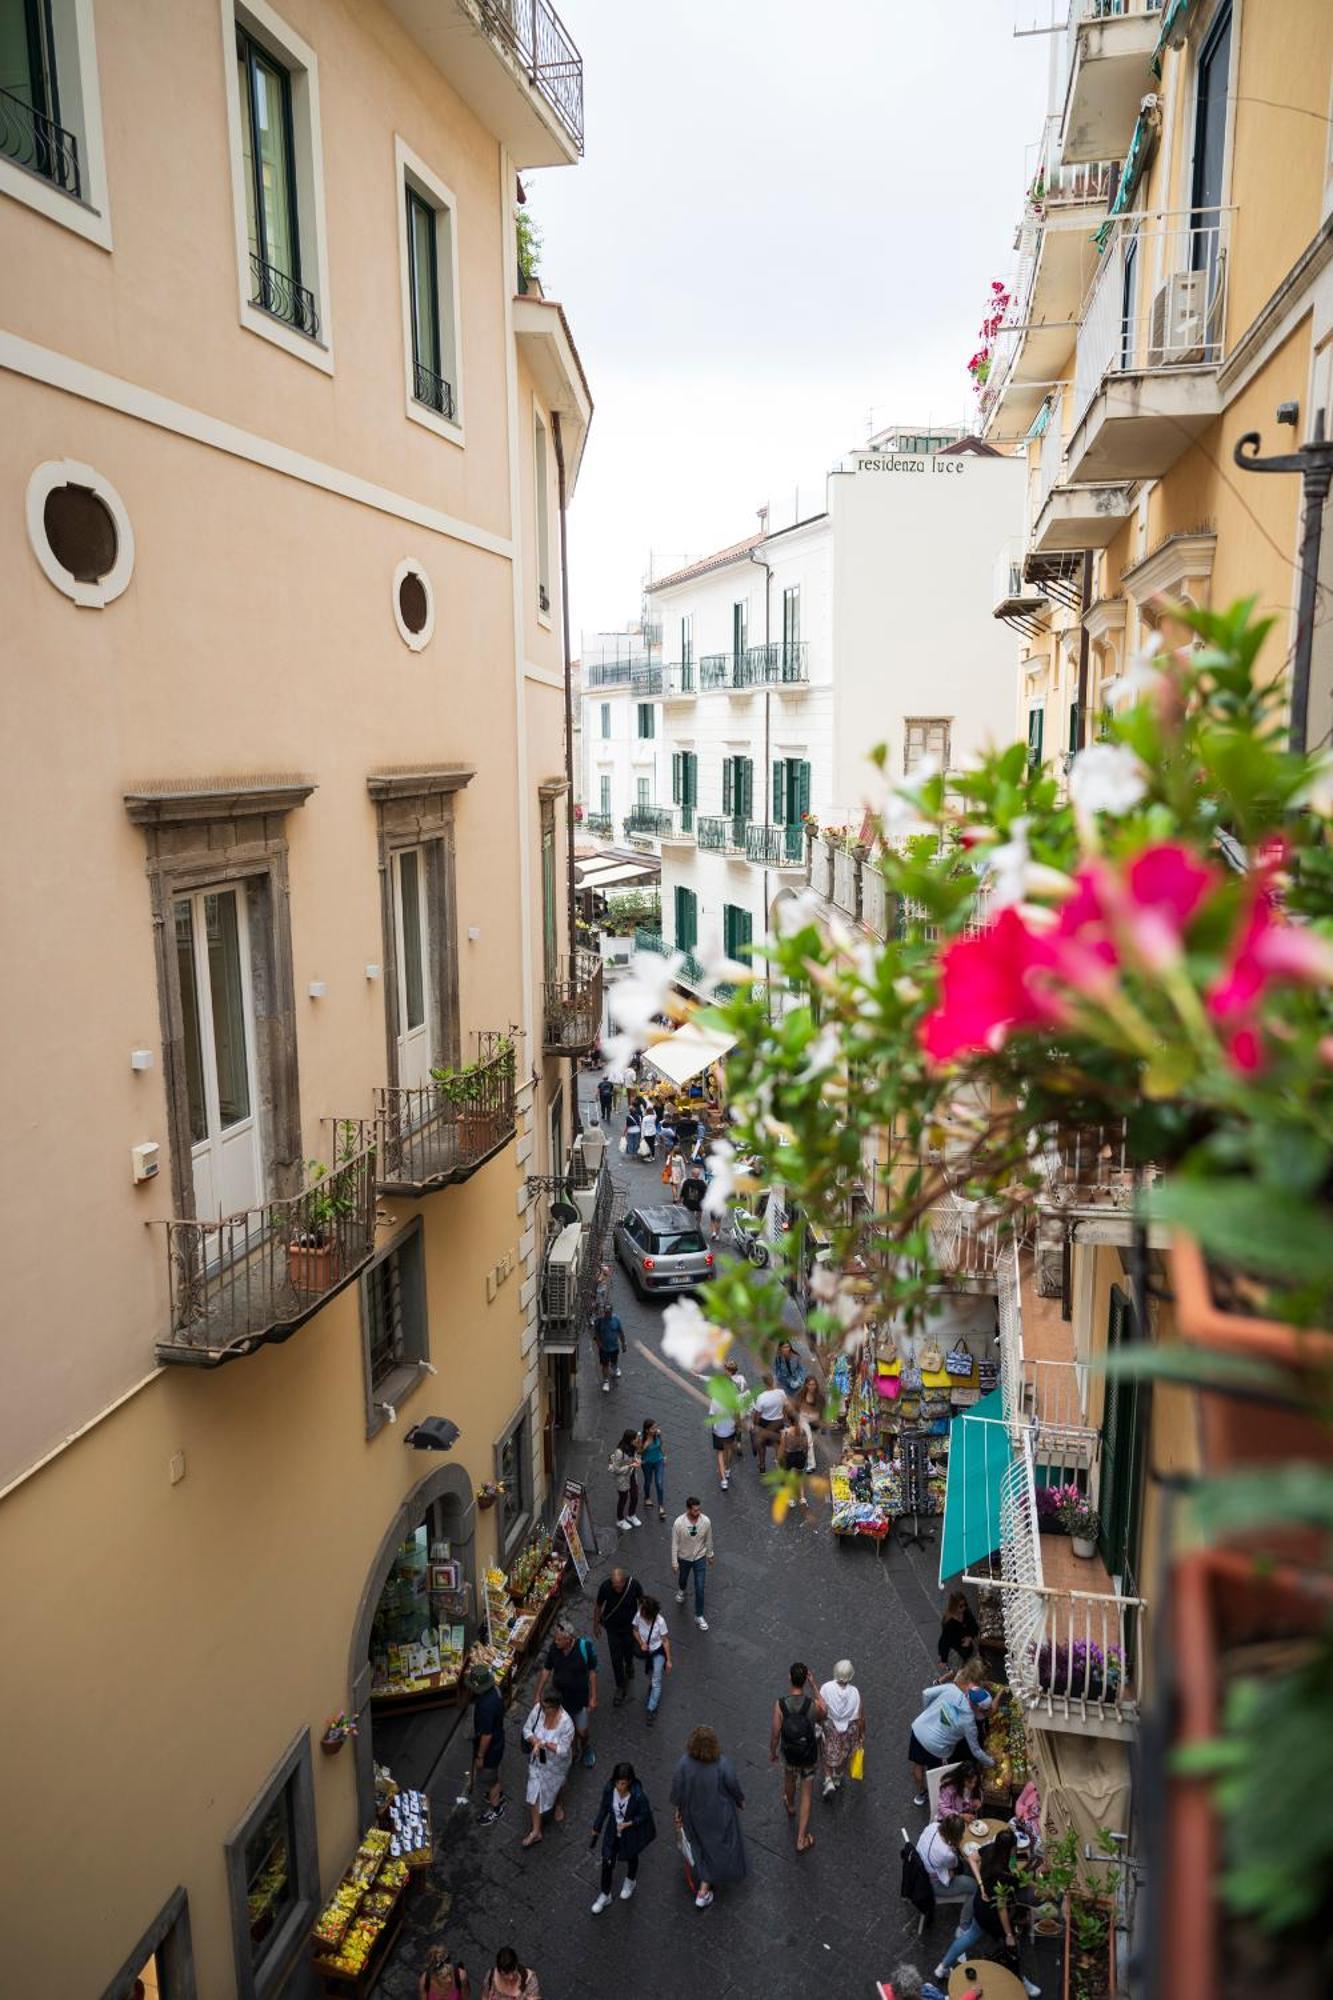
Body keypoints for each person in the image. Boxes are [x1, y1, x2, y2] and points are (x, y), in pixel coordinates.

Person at [934, 1829, 1041, 1998]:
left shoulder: (991, 1848)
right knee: (1012, 1949)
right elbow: (1001, 1907)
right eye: (1014, 1848)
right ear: (1011, 1848)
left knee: (969, 1935)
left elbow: (972, 1858)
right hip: (992, 1915)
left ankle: (942, 1967)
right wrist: (1008, 1934)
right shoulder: (1003, 1876)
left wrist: (981, 1883)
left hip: (979, 1904)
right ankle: (1021, 1981)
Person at [671, 1724, 749, 1910]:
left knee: (700, 1846)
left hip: (693, 1814)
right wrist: (740, 1800)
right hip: (718, 1815)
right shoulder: (721, 1764)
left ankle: (704, 1880)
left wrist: (678, 1811)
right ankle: (704, 1890)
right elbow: (732, 1784)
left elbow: (677, 1789)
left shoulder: (684, 1763)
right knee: (717, 1847)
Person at [908, 1661, 994, 1807]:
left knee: (918, 1765)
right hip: (937, 1747)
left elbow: (926, 1693)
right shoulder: (969, 1723)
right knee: (936, 1775)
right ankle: (937, 1800)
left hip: (919, 1729)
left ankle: (921, 1793)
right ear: (979, 1709)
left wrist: (928, 1712)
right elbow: (976, 1751)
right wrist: (991, 1762)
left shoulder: (951, 1689)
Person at [770, 1662, 825, 1854]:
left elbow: (776, 1733)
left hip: (789, 1753)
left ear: (789, 1678)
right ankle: (801, 1839)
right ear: (804, 1680)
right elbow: (824, 1713)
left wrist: (773, 1752)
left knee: (789, 1779)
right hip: (808, 1754)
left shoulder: (780, 1704)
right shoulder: (812, 1705)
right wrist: (815, 1686)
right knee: (807, 1793)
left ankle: (790, 1805)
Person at [589, 1760, 657, 1913]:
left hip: (629, 1833)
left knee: (631, 1856)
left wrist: (630, 1823)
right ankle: (605, 1894)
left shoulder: (638, 1796)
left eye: (623, 1783)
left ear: (629, 1783)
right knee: (607, 1861)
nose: (620, 1787)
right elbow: (603, 1809)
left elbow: (645, 1814)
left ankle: (630, 1880)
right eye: (618, 1783)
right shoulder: (609, 1790)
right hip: (613, 1831)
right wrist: (597, 1827)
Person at [534, 1618, 599, 1770]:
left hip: (579, 1700)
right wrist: (538, 1693)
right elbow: (546, 1670)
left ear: (569, 1639)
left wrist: (594, 1697)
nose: (555, 1642)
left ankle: (585, 1747)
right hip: (560, 1701)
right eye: (555, 1638)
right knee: (566, 1732)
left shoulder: (584, 1648)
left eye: (559, 1639)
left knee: (582, 1730)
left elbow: (592, 1673)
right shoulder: (554, 1649)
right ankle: (572, 1750)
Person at [519, 1691, 575, 1848]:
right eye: (542, 1705)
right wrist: (535, 1741)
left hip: (556, 1765)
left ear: (555, 1708)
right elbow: (526, 1730)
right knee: (534, 1793)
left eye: (546, 1707)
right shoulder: (538, 1709)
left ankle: (559, 1804)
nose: (542, 1709)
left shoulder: (567, 1724)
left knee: (559, 1786)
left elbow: (563, 1750)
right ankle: (536, 1831)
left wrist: (543, 1743)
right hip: (537, 1763)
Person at [593, 1564, 643, 1705]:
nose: (616, 1588)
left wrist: (640, 1624)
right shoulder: (605, 1587)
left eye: (618, 1585)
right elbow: (598, 1606)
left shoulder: (634, 1585)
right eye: (614, 1585)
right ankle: (620, 1687)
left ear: (624, 1581)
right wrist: (595, 1625)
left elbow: (642, 1602)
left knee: (629, 1651)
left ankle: (629, 1664)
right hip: (613, 1629)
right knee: (615, 1658)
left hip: (629, 1628)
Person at [818, 1659, 865, 1798]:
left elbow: (821, 1708)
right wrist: (861, 1734)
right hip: (847, 1729)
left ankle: (828, 1778)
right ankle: (837, 1777)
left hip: (830, 1726)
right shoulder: (855, 1692)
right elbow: (858, 1716)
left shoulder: (826, 1688)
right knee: (844, 1754)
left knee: (825, 1751)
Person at [467, 1662, 507, 1823]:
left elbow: (486, 1735)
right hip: (499, 1738)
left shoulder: (485, 1706)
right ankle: (496, 1793)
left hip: (491, 1747)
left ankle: (496, 1808)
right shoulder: (495, 1690)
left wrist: (480, 1756)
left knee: (490, 1779)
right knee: (492, 1776)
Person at [671, 1497, 714, 1631]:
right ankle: (682, 1590)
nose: (698, 1512)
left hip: (700, 1558)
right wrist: (674, 1562)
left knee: (700, 1587)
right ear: (688, 1509)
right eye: (695, 1510)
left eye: (699, 1509)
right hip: (684, 1558)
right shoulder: (679, 1523)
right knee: (683, 1579)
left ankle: (699, 1615)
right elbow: (674, 1543)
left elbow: (709, 1538)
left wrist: (710, 1554)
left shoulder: (705, 1521)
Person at [707, 1357, 746, 1490]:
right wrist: (738, 1425)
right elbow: (737, 1414)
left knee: (719, 1453)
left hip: (718, 1429)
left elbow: (712, 1415)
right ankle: (728, 1469)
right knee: (728, 1450)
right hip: (730, 1429)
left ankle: (724, 1480)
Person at [632, 1594, 672, 1721]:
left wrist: (669, 1661)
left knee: (656, 1679)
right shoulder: (639, 1615)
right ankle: (652, 1685)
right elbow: (635, 1630)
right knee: (650, 1674)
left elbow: (665, 1641)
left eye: (643, 1612)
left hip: (658, 1652)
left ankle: (651, 1707)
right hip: (646, 1652)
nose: (640, 1613)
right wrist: (641, 1643)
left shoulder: (660, 1622)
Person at [916, 1813, 968, 1889]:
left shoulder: (933, 1825)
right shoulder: (947, 1854)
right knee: (960, 1868)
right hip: (928, 1878)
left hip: (919, 1860)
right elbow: (954, 1865)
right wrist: (955, 1850)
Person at [750, 1373, 788, 1471]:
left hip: (765, 1423)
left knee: (762, 1445)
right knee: (778, 1445)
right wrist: (785, 1419)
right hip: (779, 1422)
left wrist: (755, 1425)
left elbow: (757, 1414)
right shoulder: (781, 1393)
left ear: (764, 1383)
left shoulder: (761, 1397)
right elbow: (785, 1407)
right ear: (773, 1382)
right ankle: (779, 1465)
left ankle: (762, 1465)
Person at [937, 1590, 980, 1671]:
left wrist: (969, 1637)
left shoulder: (967, 1613)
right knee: (959, 1671)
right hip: (956, 1650)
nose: (963, 1608)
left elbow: (974, 1627)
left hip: (968, 1648)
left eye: (965, 1605)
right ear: (954, 1606)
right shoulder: (949, 1622)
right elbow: (945, 1641)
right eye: (961, 1606)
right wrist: (944, 1660)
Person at [778, 1407, 811, 1512]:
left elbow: (782, 1447)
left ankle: (791, 1499)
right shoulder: (802, 1431)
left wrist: (779, 1458)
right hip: (800, 1455)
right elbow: (806, 1445)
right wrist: (805, 1455)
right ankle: (802, 1498)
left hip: (789, 1456)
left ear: (788, 1419)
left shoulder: (786, 1432)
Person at [608, 1431, 642, 1531]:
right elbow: (616, 1469)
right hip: (622, 1479)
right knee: (623, 1498)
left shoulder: (634, 1447)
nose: (637, 1440)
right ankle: (620, 1520)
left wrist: (637, 1460)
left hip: (631, 1475)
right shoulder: (619, 1452)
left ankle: (631, 1515)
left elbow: (636, 1456)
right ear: (631, 1440)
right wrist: (630, 1465)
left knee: (635, 1496)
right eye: (636, 1439)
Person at [936, 1757, 986, 1821]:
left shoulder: (975, 1787)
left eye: (975, 1782)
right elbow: (943, 1808)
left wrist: (978, 1800)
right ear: (961, 1779)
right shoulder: (949, 1788)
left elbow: (978, 1794)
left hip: (967, 1814)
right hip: (951, 1819)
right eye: (969, 1782)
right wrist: (961, 1816)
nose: (973, 1785)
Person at [639, 1417, 667, 1519]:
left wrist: (664, 1456)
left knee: (659, 1483)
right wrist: (646, 1444)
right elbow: (639, 1452)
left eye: (656, 1427)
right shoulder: (641, 1438)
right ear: (647, 1430)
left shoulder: (658, 1434)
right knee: (648, 1481)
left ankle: (661, 1506)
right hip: (647, 1463)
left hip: (658, 1460)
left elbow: (661, 1445)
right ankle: (647, 1497)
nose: (655, 1429)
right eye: (653, 1428)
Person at [593, 1306, 622, 1394]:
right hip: (604, 1348)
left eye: (609, 1312)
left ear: (611, 1312)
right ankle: (606, 1381)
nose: (607, 1314)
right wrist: (599, 1344)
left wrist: (624, 1343)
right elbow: (596, 1333)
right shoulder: (600, 1321)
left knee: (614, 1361)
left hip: (614, 1347)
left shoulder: (616, 1319)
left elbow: (620, 1331)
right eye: (606, 1312)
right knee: (605, 1365)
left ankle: (615, 1367)